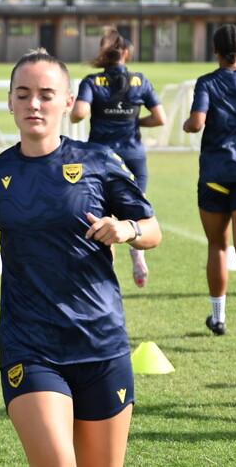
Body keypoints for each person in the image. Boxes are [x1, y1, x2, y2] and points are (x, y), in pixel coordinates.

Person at [0, 49, 162, 466]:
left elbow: (152, 230)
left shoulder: (98, 161)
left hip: (101, 342)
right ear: (9, 101)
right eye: (22, 94)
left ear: (67, 101)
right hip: (30, 345)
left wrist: (126, 229)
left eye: (45, 94)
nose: (33, 105)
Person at [182, 24, 236, 337]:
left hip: (215, 173)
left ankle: (218, 318)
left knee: (218, 245)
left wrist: (187, 125)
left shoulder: (207, 82)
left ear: (215, 50)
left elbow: (197, 122)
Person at [71, 29, 165, 287]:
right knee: (136, 212)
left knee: (103, 219)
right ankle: (137, 251)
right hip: (133, 156)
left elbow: (79, 113)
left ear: (103, 53)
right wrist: (134, 120)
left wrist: (76, 115)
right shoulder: (140, 81)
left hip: (100, 158)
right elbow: (160, 118)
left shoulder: (92, 82)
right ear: (126, 54)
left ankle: (106, 278)